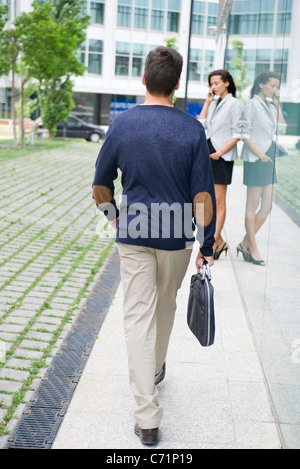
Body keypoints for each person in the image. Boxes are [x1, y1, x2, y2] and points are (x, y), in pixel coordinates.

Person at [92, 46, 216, 446]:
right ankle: (156, 368)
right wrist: (207, 243)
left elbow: (100, 185)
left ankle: (148, 415)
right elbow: (203, 196)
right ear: (177, 86)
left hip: (135, 233)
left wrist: (115, 218)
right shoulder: (192, 130)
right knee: (165, 306)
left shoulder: (122, 124)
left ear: (143, 80)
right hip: (177, 235)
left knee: (138, 314)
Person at [237, 71, 287, 266]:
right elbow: (244, 135)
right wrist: (260, 155)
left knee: (267, 207)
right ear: (261, 85)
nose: (275, 90)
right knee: (253, 205)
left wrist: (278, 104)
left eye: (277, 87)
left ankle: (244, 243)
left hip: (269, 159)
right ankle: (253, 248)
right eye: (272, 86)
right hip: (257, 159)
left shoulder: (270, 106)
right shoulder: (251, 105)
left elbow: (281, 129)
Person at [198, 69, 242, 260]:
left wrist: (219, 153)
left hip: (221, 157)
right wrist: (207, 102)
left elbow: (238, 133)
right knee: (205, 200)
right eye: (211, 84)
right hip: (210, 153)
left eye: (216, 83)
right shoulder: (215, 103)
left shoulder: (235, 104)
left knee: (218, 202)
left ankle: (213, 243)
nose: (213, 87)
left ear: (226, 83)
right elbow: (202, 125)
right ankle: (220, 241)